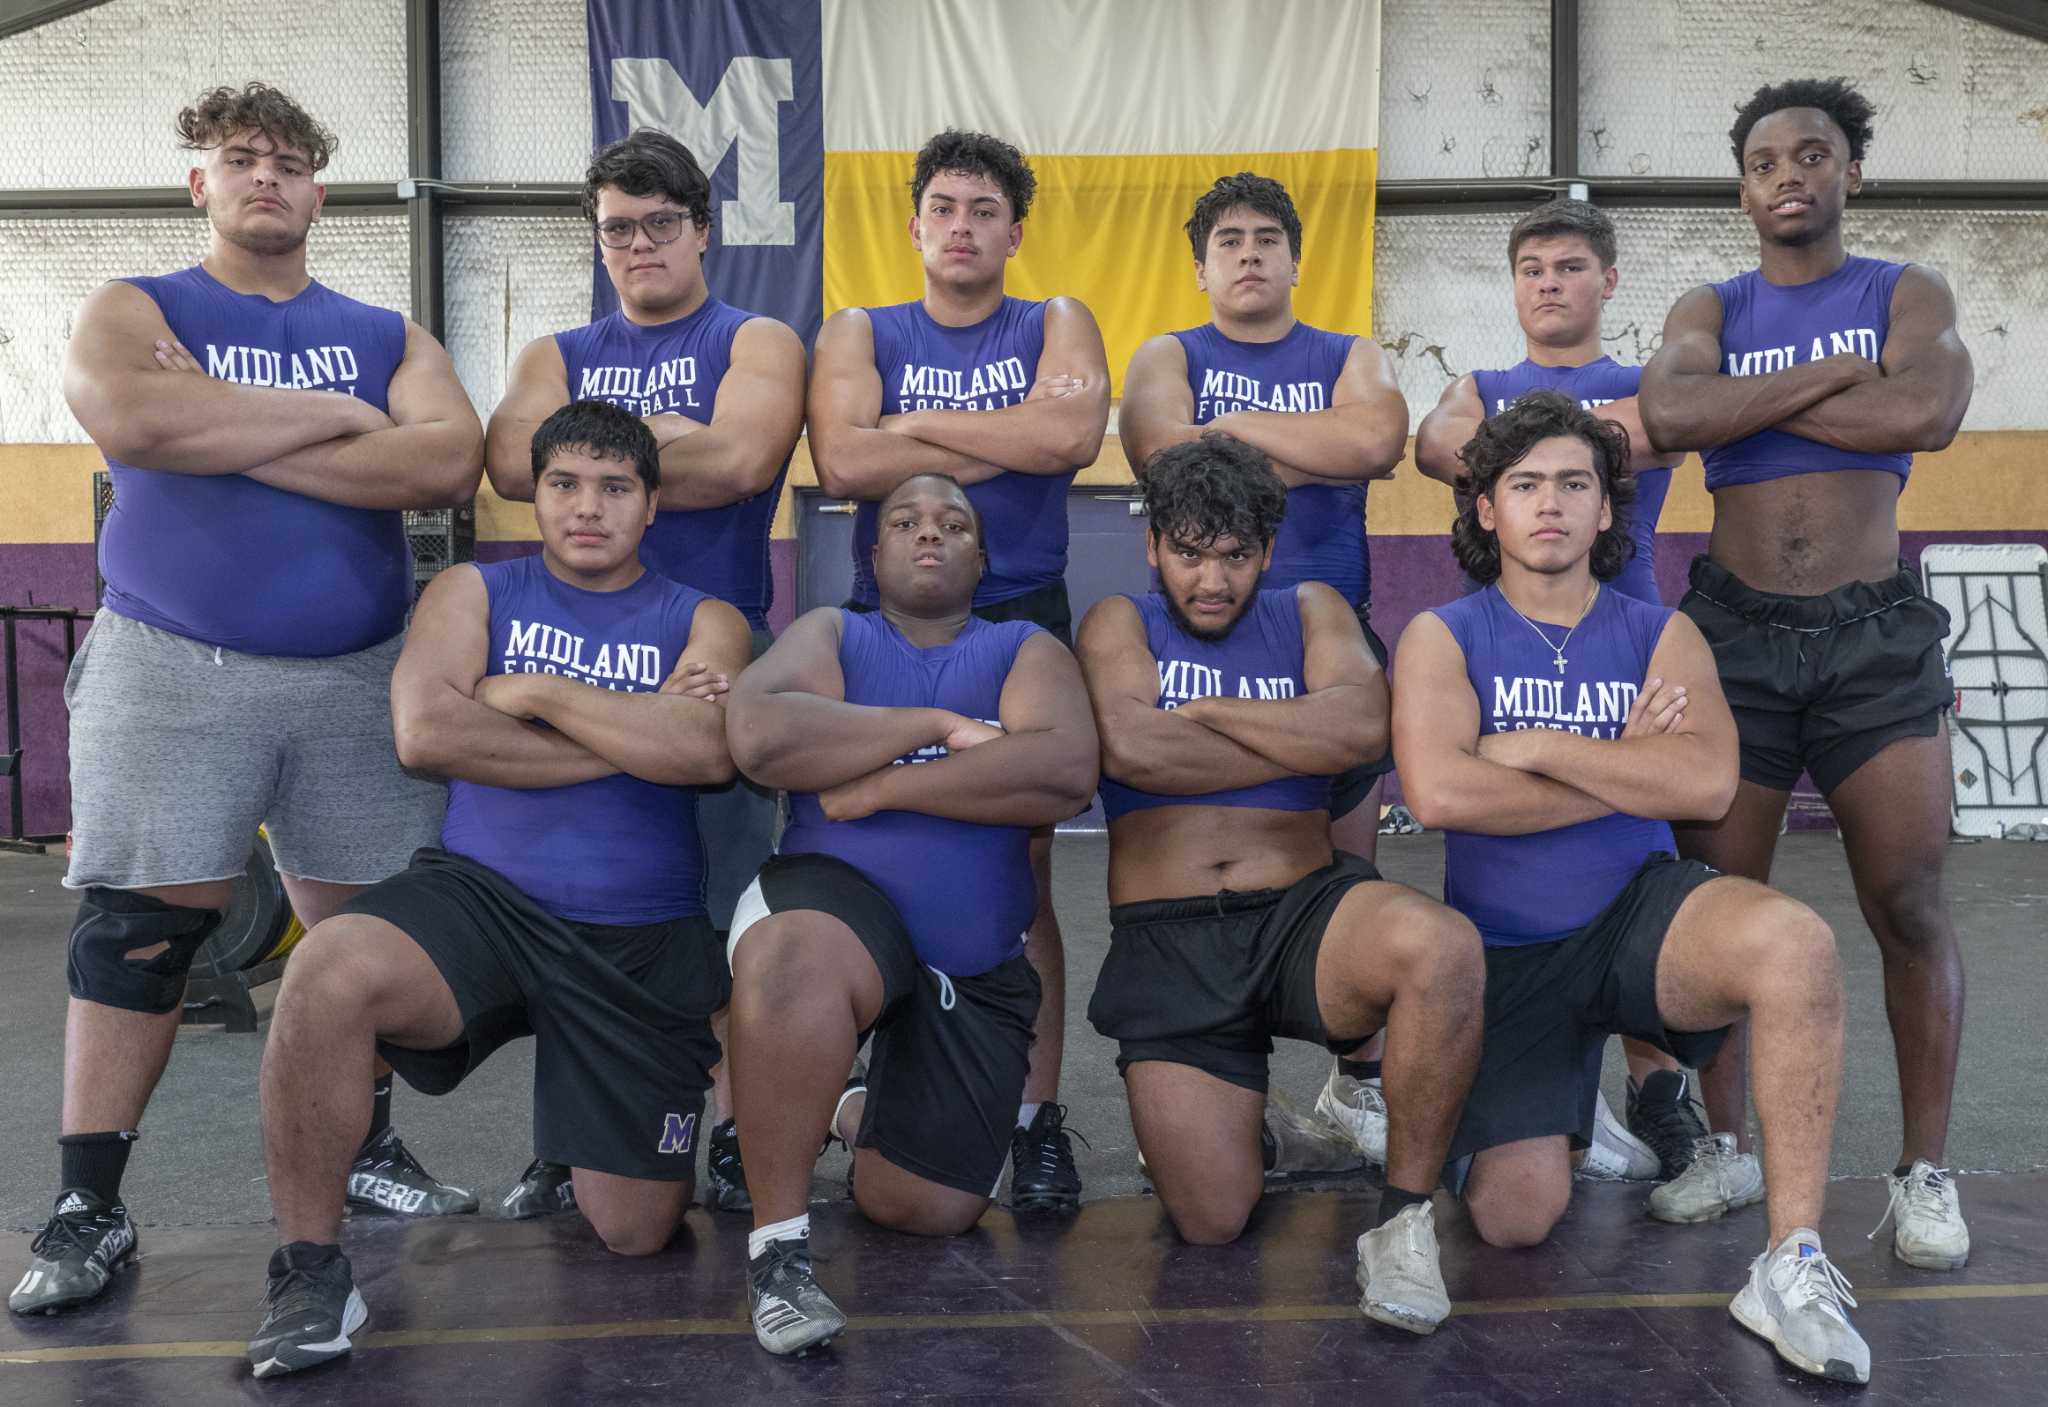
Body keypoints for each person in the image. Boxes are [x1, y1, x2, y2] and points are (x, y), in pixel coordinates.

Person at [11, 83, 483, 1319]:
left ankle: (367, 1153)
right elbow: (129, 414)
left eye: (289, 161)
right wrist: (337, 421)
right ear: (200, 184)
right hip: (175, 663)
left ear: (321, 191)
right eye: (241, 158)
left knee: (363, 943)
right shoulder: (142, 307)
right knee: (142, 935)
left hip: (353, 673)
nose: (265, 176)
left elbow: (442, 459)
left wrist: (215, 424)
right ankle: (90, 1204)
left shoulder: (388, 329)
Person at [245, 402, 750, 1377]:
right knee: (329, 971)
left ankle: (573, 1146)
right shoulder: (471, 592)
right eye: (564, 484)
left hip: (636, 940)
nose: (586, 507)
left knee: (637, 1229)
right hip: (483, 902)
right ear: (535, 497)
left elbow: (705, 750)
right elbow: (425, 736)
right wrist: (631, 736)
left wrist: (536, 693)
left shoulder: (705, 617)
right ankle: (307, 1270)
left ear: (651, 505)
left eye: (614, 487)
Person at [1398, 390, 1867, 1384]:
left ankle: (1789, 1261)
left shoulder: (1658, 633)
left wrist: (1534, 749)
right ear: (1484, 508)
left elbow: (1700, 781)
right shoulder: (1443, 636)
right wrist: (1617, 763)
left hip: (1639, 916)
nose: (1549, 504)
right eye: (1522, 485)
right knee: (1514, 1223)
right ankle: (1555, 1114)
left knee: (1795, 944)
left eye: (1574, 483)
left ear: (1607, 509)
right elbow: (1440, 791)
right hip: (1506, 948)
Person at [1640, 78, 1974, 1260]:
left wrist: (1749, 410)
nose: (1787, 172)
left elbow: (1925, 413)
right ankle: (1727, 1153)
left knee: (1907, 901)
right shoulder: (1710, 301)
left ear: (1849, 174)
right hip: (1731, 635)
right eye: (1765, 160)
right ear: (1740, 187)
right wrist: (1838, 380)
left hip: (1872, 635)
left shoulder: (1900, 290)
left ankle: (1923, 1173)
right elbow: (1669, 411)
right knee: (1720, 912)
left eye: (1812, 154)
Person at [1077, 434, 1485, 1337]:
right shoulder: (1118, 620)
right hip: (1169, 934)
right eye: (1188, 553)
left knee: (1442, 945)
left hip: (1303, 914)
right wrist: (1287, 727)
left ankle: (1404, 1219)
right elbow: (1132, 744)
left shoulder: (1312, 608)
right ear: (1154, 549)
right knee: (1213, 1220)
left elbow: (1356, 728)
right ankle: (1256, 1131)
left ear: (1265, 549)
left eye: (1232, 555)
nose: (1211, 579)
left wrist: (1207, 712)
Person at [484, 128, 805, 1217]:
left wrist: (601, 451)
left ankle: (719, 1132)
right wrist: (677, 438)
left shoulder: (755, 336)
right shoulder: (554, 349)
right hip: (566, 655)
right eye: (617, 229)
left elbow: (748, 457)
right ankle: (565, 1143)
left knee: (713, 924)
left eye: (661, 224)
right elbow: (510, 465)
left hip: (704, 672)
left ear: (701, 230)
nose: (638, 245)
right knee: (561, 914)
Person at [722, 472, 1099, 1355]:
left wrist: (877, 781)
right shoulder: (835, 633)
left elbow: (1061, 772)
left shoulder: (1025, 651)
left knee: (923, 1207)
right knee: (793, 958)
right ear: (874, 550)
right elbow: (762, 737)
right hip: (833, 909)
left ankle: (845, 1105)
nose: (929, 533)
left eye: (952, 523)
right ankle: (779, 1257)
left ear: (982, 555)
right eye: (905, 521)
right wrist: (940, 722)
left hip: (969, 959)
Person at [807, 129, 1111, 1211]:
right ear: (913, 224)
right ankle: (860, 1084)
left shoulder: (1055, 320)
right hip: (881, 618)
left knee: (1019, 873)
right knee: (865, 845)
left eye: (984, 210)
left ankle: (1033, 1118)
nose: (962, 225)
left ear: (1013, 230)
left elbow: (1071, 432)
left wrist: (915, 427)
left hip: (1017, 610)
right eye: (943, 206)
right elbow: (842, 460)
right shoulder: (858, 327)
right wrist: (1004, 431)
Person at [1412, 197, 1700, 1183]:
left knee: (1638, 854)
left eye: (1569, 266)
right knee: (1503, 849)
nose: (1548, 282)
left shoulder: (1644, 376)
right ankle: (1518, 1077)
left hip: (1622, 645)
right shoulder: (1477, 380)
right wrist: (1568, 434)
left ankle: (1657, 1088)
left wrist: (1518, 436)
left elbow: (1662, 426)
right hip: (1501, 652)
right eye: (1531, 267)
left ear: (1606, 282)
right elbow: (1431, 447)